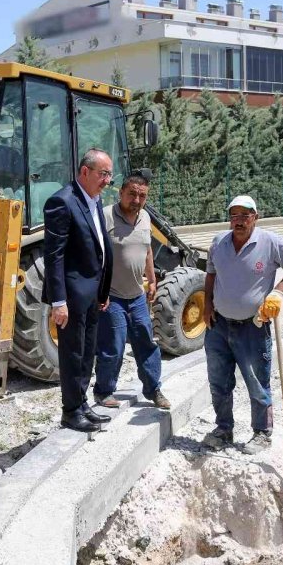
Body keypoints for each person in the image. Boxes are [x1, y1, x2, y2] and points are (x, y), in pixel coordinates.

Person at [202, 195, 283, 455]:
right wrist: (207, 304)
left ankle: (261, 433)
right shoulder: (219, 243)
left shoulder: (270, 243)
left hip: (253, 327)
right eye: (234, 216)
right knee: (219, 381)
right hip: (218, 326)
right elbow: (210, 274)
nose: (239, 221)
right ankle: (223, 429)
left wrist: (279, 291)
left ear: (255, 217)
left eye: (245, 215)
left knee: (257, 382)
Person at [43, 148, 115, 433]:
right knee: (72, 353)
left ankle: (82, 403)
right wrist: (58, 300)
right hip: (71, 297)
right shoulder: (62, 202)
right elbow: (54, 256)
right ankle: (70, 410)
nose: (108, 180)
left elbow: (98, 247)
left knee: (87, 352)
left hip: (92, 293)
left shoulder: (93, 200)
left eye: (110, 174)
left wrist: (103, 289)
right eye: (103, 174)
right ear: (85, 172)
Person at [93, 172, 171, 410]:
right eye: (132, 194)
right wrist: (98, 291)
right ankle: (104, 392)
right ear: (121, 193)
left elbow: (147, 250)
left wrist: (152, 280)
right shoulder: (105, 216)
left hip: (137, 295)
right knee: (113, 347)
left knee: (146, 344)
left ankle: (153, 389)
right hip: (112, 296)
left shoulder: (145, 217)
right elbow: (93, 254)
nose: (136, 200)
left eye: (142, 195)